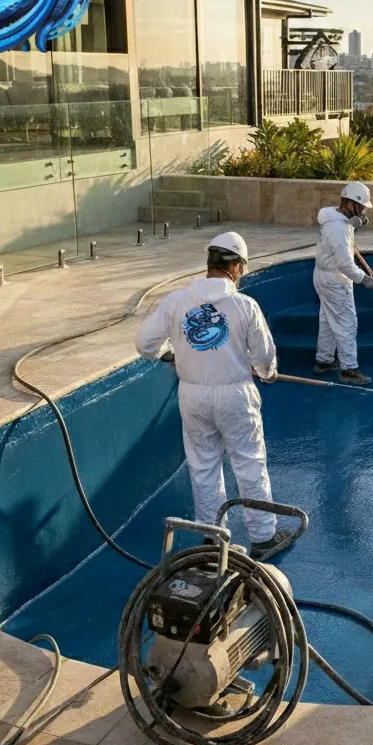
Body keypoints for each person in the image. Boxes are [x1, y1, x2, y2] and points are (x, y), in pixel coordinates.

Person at [135, 232, 293, 561]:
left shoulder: (176, 301)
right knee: (249, 463)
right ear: (235, 267)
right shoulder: (244, 305)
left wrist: (171, 353)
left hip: (192, 395)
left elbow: (145, 344)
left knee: (203, 465)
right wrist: (267, 372)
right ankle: (263, 537)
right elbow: (264, 356)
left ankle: (210, 536)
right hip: (235, 394)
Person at [313, 182, 373, 386]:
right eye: (361, 208)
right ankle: (349, 370)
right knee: (346, 324)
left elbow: (340, 247)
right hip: (335, 280)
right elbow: (345, 265)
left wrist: (351, 236)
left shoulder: (338, 220)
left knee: (327, 321)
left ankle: (323, 361)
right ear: (350, 204)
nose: (362, 212)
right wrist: (364, 279)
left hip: (323, 276)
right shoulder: (338, 227)